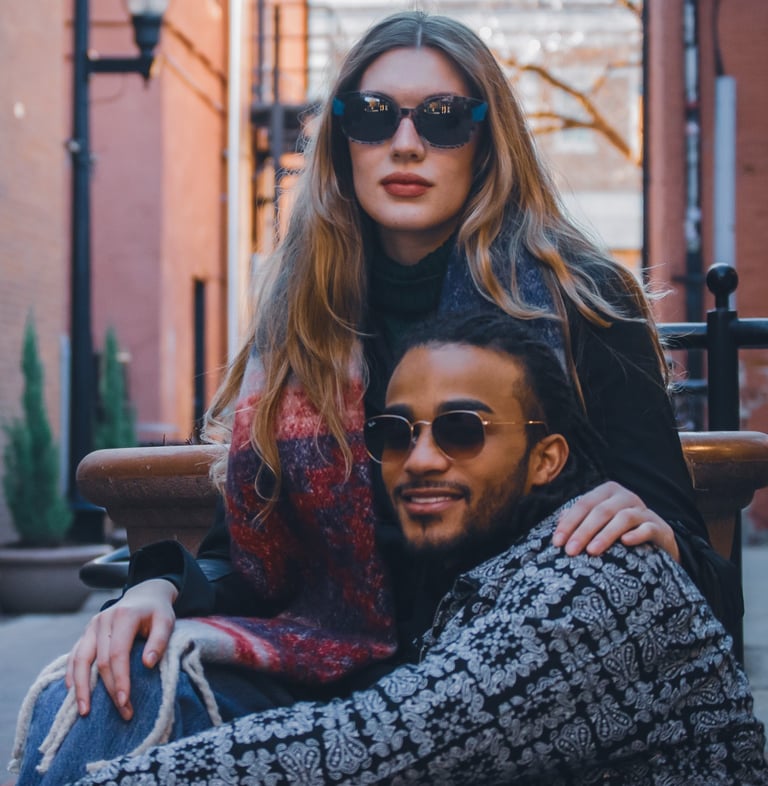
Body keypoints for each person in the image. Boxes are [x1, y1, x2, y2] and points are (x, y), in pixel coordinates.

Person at [10, 8, 739, 784]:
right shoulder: (302, 319)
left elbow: (703, 596)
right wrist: (155, 587)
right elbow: (247, 561)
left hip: (506, 696)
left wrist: (650, 528)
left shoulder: (580, 303)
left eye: (444, 118)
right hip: (324, 677)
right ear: (342, 140)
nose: (406, 142)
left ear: (488, 140)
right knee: (106, 683)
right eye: (374, 114)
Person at [69, 313, 768, 784]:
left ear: (547, 458)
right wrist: (154, 586)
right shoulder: (499, 578)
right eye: (396, 434)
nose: (421, 458)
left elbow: (357, 746)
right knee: (117, 676)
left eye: (462, 429)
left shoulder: (595, 582)